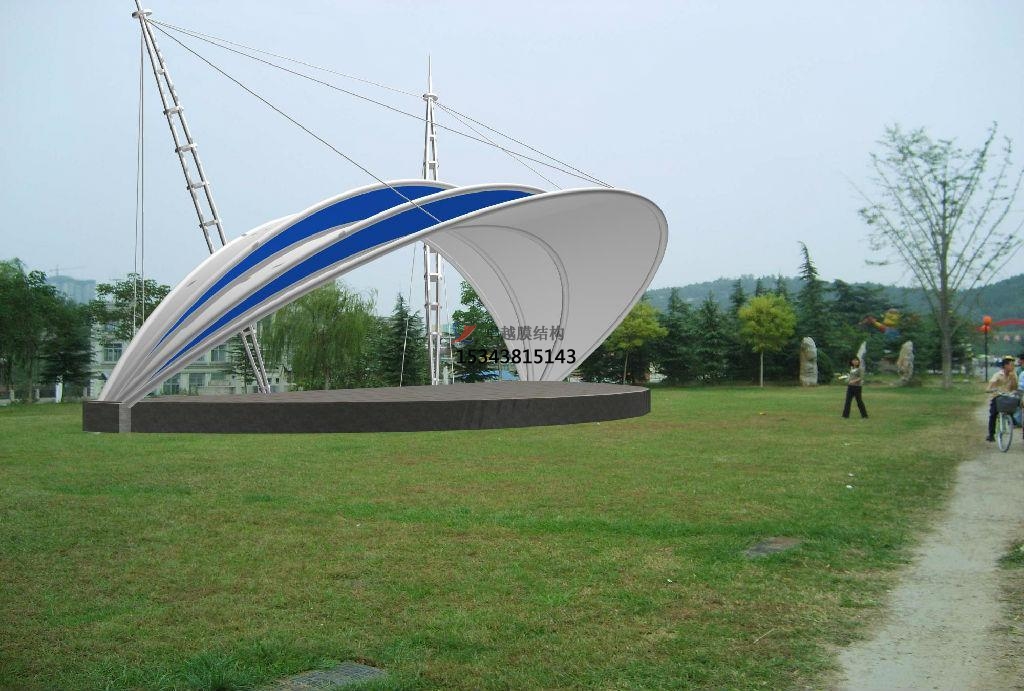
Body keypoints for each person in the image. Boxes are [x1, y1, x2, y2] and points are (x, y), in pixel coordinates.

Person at [986, 355, 1019, 442]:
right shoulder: (997, 375)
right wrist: (991, 389)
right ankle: (991, 434)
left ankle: (1012, 419)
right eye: (1011, 365)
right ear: (1005, 365)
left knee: (1015, 402)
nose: (1013, 367)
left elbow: (1015, 387)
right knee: (993, 414)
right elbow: (990, 385)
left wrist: (1013, 380)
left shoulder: (1013, 375)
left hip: (1008, 396)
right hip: (998, 396)